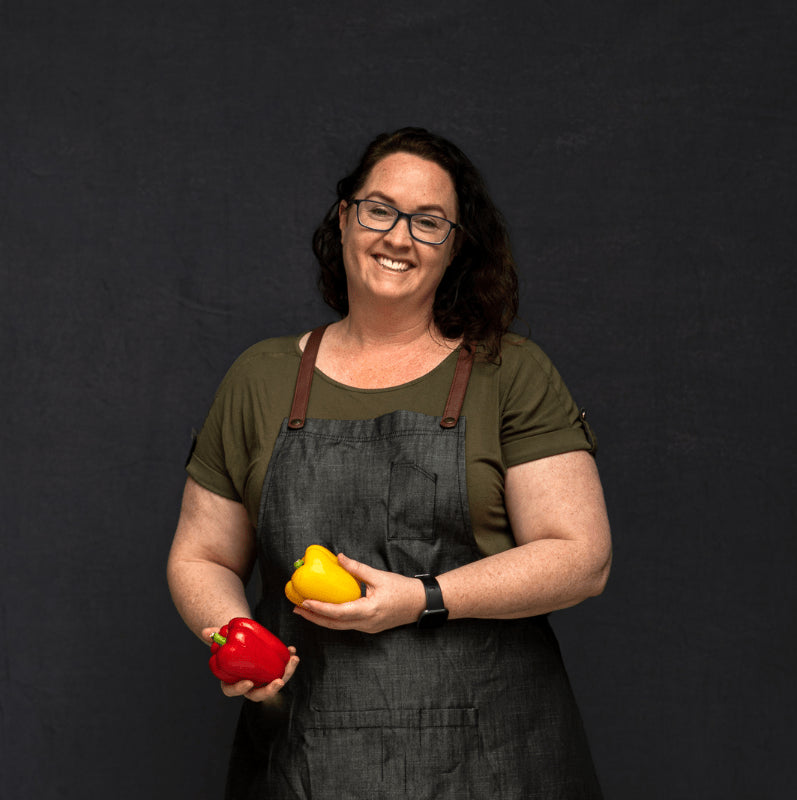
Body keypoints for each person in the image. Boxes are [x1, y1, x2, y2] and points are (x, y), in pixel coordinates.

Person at [167, 127, 612, 799]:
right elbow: (201, 554)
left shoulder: (509, 373)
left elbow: (582, 557)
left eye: (428, 222)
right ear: (344, 218)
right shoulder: (260, 378)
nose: (399, 237)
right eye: (380, 210)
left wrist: (422, 598)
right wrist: (235, 637)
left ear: (455, 245)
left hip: (496, 762)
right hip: (309, 761)